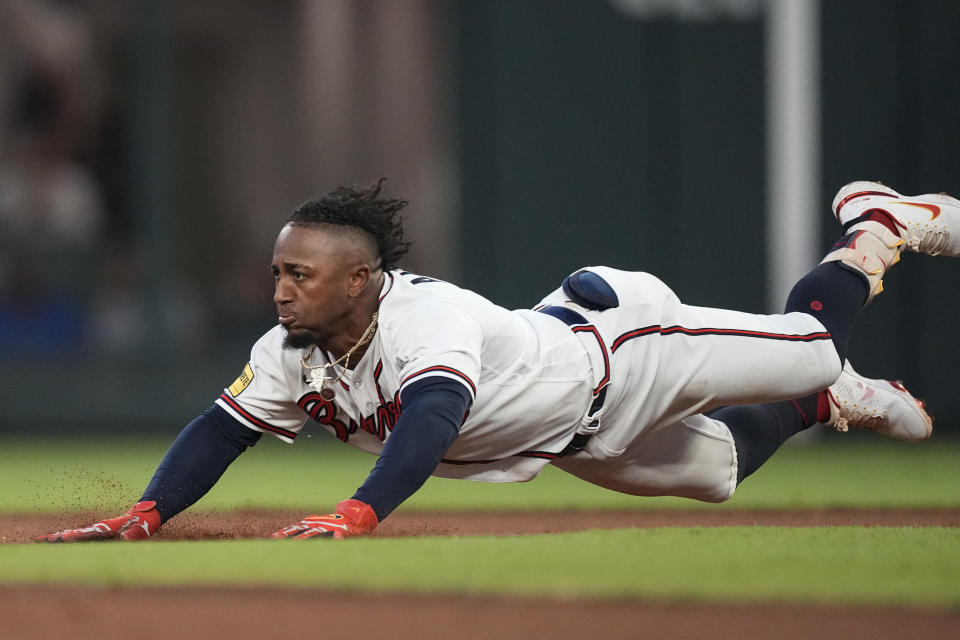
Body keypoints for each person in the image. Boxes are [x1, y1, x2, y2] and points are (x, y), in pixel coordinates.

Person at [39, 179, 949, 542]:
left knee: (815, 345)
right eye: (279, 272)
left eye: (301, 274)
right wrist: (146, 513)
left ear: (361, 280)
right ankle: (823, 406)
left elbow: (431, 421)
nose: (281, 290)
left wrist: (360, 513)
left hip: (624, 351)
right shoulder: (289, 351)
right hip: (576, 439)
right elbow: (218, 430)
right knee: (720, 472)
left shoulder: (422, 317)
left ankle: (878, 227)